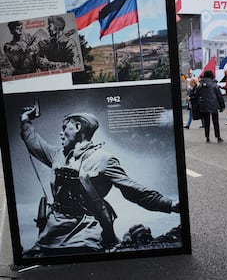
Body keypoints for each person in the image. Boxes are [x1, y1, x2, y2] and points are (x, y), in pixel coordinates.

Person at [19, 107, 180, 256]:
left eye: (64, 128)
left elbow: (134, 191)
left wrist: (169, 205)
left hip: (84, 232)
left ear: (77, 127)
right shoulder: (57, 155)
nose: (61, 134)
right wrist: (26, 119)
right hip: (51, 232)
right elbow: (34, 143)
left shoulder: (103, 159)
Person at [197, 70, 225, 143]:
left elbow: (197, 94)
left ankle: (207, 137)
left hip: (204, 105)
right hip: (214, 105)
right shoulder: (214, 84)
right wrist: (222, 106)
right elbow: (219, 96)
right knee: (215, 122)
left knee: (206, 122)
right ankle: (218, 136)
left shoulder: (200, 84)